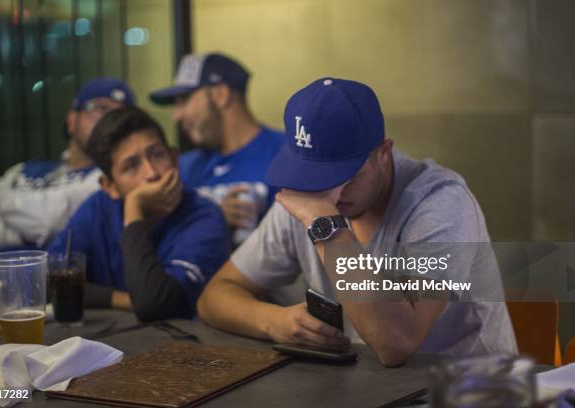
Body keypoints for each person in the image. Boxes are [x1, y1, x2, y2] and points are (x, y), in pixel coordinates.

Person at [197, 78, 517, 366]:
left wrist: (327, 225)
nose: (331, 193)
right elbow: (214, 297)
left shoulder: (441, 202)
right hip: (369, 387)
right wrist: (272, 320)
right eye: (314, 177)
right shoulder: (309, 193)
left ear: (383, 153)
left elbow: (397, 343)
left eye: (345, 176)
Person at [49, 106, 230, 321]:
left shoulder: (205, 217)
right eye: (131, 165)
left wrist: (134, 207)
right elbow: (48, 280)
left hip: (185, 347)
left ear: (174, 159)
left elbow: (153, 305)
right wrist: (121, 299)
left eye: (157, 155)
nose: (152, 173)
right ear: (110, 186)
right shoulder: (97, 208)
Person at [0, 78, 135, 249]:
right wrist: (24, 237)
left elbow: (47, 221)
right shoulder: (25, 169)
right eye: (99, 108)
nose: (109, 121)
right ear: (72, 120)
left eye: (119, 116)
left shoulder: (108, 180)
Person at [150, 52, 284, 247]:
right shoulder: (183, 167)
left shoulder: (288, 153)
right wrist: (213, 218)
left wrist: (346, 277)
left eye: (184, 100)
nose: (177, 116)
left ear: (221, 94)